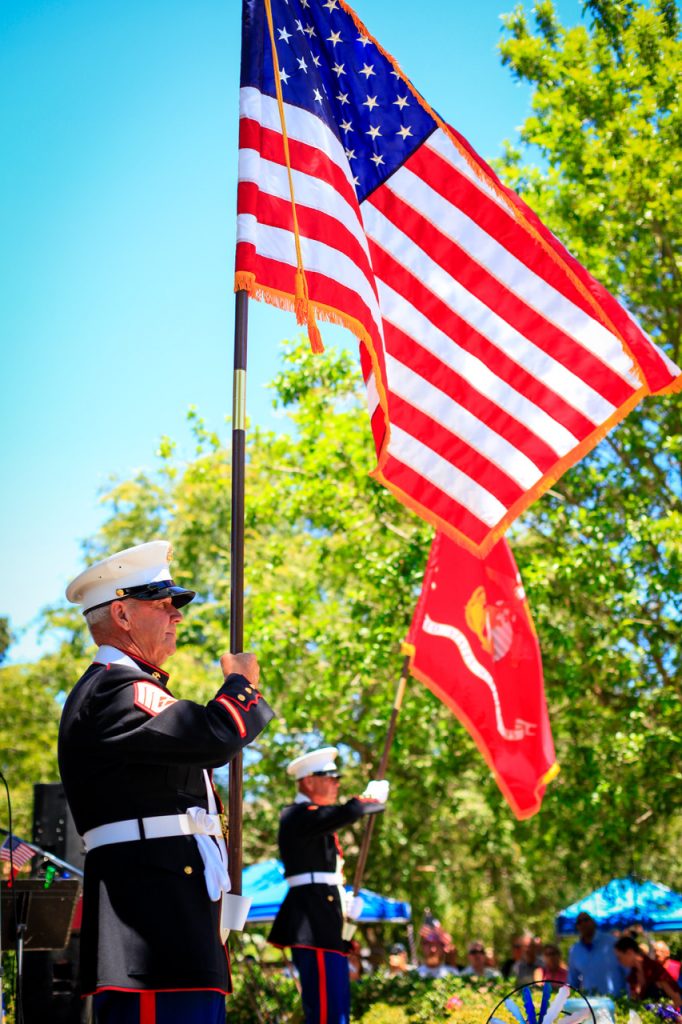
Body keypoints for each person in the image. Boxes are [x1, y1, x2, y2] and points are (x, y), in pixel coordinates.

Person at [58, 540, 275, 1024]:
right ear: (122, 613)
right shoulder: (116, 688)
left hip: (175, 922)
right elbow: (212, 736)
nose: (177, 616)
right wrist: (240, 686)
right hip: (154, 929)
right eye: (163, 604)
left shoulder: (132, 687)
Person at [268, 747, 389, 1024]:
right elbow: (340, 815)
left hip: (326, 918)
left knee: (337, 1009)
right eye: (329, 777)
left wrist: (344, 903)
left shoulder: (313, 819)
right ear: (308, 781)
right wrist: (366, 799)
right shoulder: (297, 815)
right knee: (326, 1012)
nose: (336, 783)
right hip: (313, 921)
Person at [567, 912, 626, 996]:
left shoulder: (612, 943)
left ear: (593, 922)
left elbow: (627, 973)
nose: (583, 923)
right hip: (589, 1005)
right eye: (579, 922)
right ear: (577, 926)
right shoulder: (575, 950)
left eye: (586, 920)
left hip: (615, 1003)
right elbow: (572, 982)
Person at [614, 935, 682, 1007]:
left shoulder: (654, 969)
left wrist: (660, 1009)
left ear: (629, 952)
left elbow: (677, 1000)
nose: (619, 961)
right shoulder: (633, 975)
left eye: (619, 957)